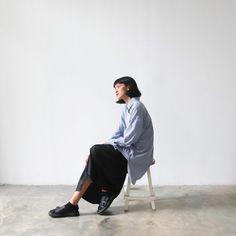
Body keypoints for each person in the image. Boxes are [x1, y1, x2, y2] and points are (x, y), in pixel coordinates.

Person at [48, 76, 154, 217]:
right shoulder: (127, 108)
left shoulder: (137, 107)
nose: (115, 91)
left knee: (96, 151)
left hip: (137, 153)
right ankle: (83, 200)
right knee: (96, 152)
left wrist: (105, 145)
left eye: (118, 86)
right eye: (114, 88)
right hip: (127, 150)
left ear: (128, 87)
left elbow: (129, 139)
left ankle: (95, 195)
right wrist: (106, 142)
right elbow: (119, 133)